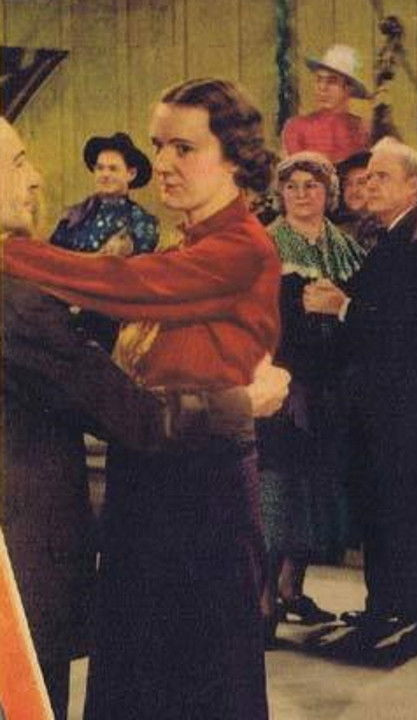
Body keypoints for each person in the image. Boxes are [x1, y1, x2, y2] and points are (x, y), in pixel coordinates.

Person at [2, 77, 281, 720]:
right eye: (158, 146)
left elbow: (123, 284)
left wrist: (14, 254)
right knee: (137, 676)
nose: (163, 163)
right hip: (150, 476)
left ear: (234, 158)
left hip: (201, 488)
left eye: (184, 148)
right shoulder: (190, 242)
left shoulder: (240, 248)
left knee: (199, 678)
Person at [303, 137, 417, 660]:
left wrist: (342, 307)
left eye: (381, 176)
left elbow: (413, 329)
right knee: (383, 510)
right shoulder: (390, 236)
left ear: (414, 185)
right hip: (380, 404)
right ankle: (387, 606)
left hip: (407, 406)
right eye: (367, 176)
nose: (369, 184)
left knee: (415, 514)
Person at [258, 152, 365, 643]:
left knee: (315, 491)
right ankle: (262, 602)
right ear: (280, 194)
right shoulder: (265, 246)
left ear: (329, 193)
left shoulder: (346, 248)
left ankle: (292, 588)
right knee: (277, 490)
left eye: (313, 186)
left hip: (329, 387)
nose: (302, 194)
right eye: (293, 186)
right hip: (282, 384)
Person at [50, 132, 159, 256]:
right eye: (100, 168)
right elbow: (52, 255)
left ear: (131, 174)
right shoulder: (74, 216)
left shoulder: (142, 221)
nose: (105, 175)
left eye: (113, 169)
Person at [282, 44, 371, 164]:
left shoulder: (363, 130)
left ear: (349, 88)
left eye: (332, 81)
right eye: (319, 80)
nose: (322, 88)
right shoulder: (296, 127)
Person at [332, 149, 373, 240]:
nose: (354, 190)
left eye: (362, 182)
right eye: (348, 184)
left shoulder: (388, 228)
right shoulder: (338, 233)